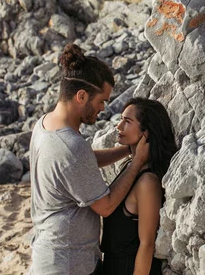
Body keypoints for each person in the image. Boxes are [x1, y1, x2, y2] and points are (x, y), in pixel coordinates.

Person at [29, 44, 150, 275]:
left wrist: (127, 151)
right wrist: (136, 163)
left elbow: (80, 164)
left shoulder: (45, 124)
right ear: (81, 96)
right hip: (69, 265)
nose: (103, 108)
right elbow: (106, 206)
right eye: (101, 100)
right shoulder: (71, 147)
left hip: (49, 255)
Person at [100, 97, 178, 275]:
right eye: (120, 120)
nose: (118, 126)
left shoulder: (147, 181)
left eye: (127, 121)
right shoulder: (131, 167)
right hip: (114, 265)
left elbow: (147, 243)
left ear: (146, 132)